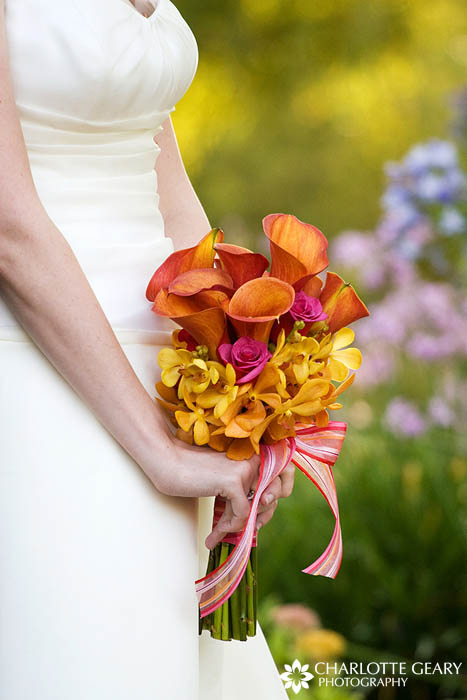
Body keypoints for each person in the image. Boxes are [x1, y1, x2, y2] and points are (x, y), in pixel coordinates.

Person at [0, 1, 293, 697]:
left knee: (167, 644)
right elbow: (9, 228)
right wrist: (158, 452)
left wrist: (240, 384)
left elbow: (168, 194)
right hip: (42, 357)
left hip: (164, 363)